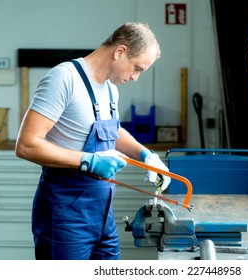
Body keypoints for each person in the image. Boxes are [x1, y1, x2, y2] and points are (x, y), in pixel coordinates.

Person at [15, 22, 171, 260]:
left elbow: (112, 132)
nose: (135, 77)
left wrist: (146, 155)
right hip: (66, 217)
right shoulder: (64, 78)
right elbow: (26, 144)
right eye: (137, 68)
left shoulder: (110, 89)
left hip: (103, 216)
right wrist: (88, 161)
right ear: (120, 52)